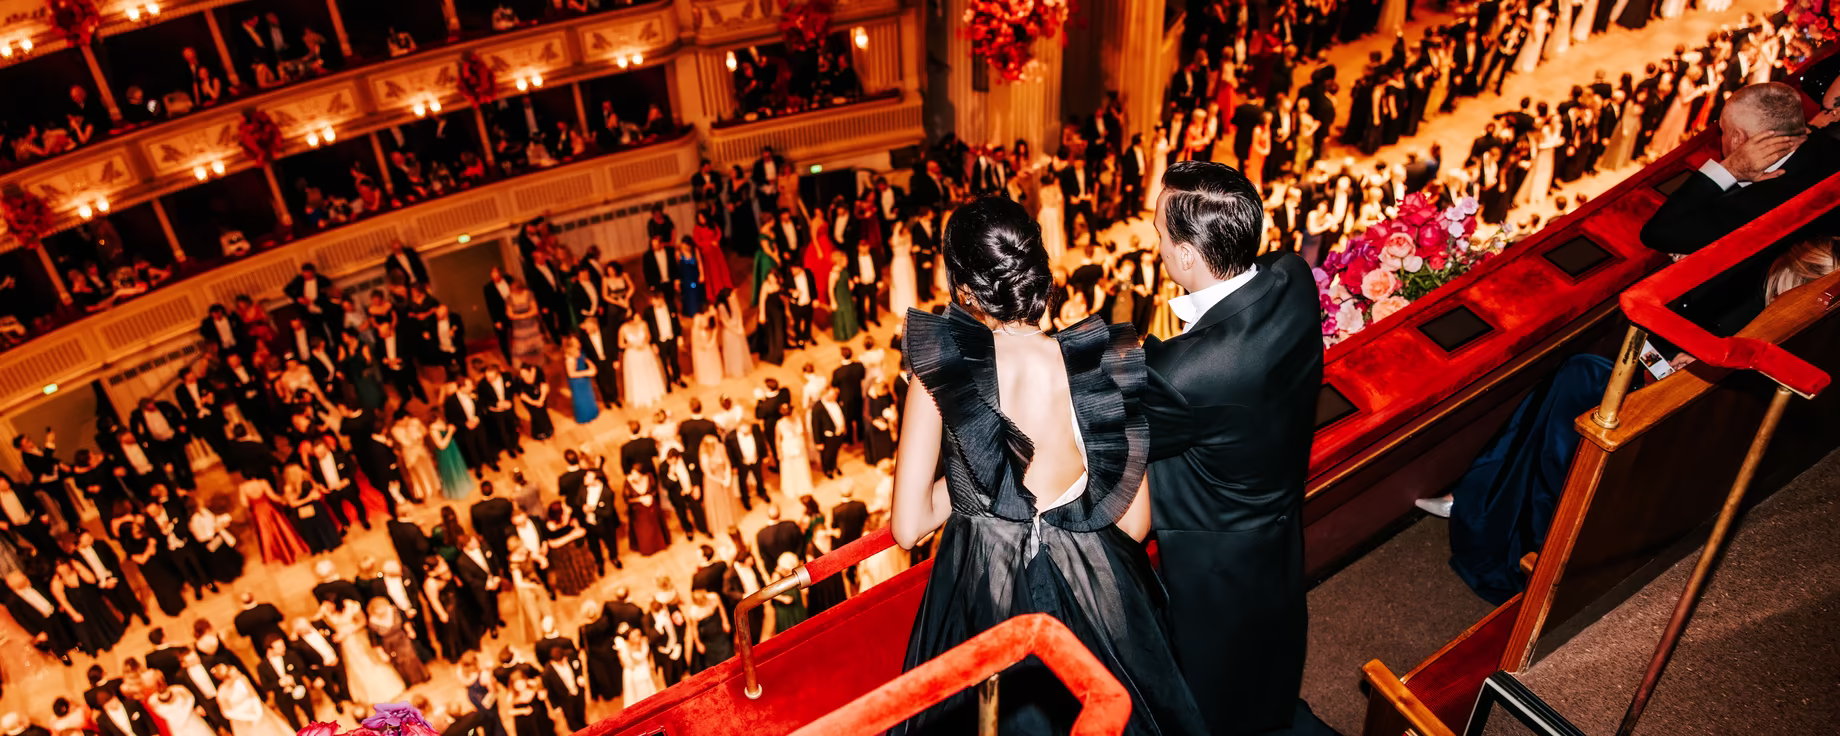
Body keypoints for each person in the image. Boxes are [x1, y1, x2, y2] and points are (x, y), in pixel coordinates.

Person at [887, 196, 1204, 734]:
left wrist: (968, 478)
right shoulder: (1103, 361)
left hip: (984, 583)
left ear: (964, 288)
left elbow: (908, 527)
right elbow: (1134, 522)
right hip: (1097, 580)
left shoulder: (940, 374)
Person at [1143, 162, 1328, 735]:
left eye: (1160, 234)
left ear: (1190, 256)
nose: (1156, 243)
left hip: (1213, 561)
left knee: (1209, 699)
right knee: (1266, 674)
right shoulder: (1292, 277)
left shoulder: (1186, 374)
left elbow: (1108, 426)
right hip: (1277, 531)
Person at [1639, 82, 1840, 337]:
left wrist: (1729, 170)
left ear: (1737, 138)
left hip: (1725, 325)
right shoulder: (1829, 150)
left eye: (1722, 131)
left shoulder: (1757, 204)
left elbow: (1657, 232)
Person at [774, 403, 814, 499]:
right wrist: (779, 453)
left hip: (800, 447)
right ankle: (793, 488)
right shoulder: (779, 424)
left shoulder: (798, 420)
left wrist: (807, 444)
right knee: (790, 469)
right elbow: (778, 440)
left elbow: (804, 433)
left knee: (801, 467)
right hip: (788, 448)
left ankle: (804, 486)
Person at [430, 416, 474, 500]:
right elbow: (442, 446)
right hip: (446, 453)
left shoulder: (442, 423)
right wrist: (450, 432)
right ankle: (457, 491)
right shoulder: (433, 430)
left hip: (452, 449)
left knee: (458, 467)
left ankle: (463, 485)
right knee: (452, 471)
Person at [562, 337, 601, 425]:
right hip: (578, 382)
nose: (579, 342)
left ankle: (592, 413)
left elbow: (584, 359)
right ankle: (584, 417)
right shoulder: (570, 359)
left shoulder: (579, 351)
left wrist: (590, 365)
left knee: (589, 396)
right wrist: (588, 372)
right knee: (581, 399)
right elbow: (571, 374)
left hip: (584, 379)